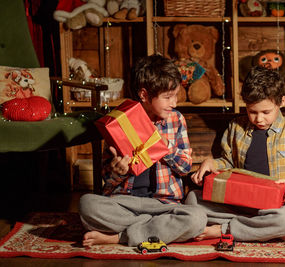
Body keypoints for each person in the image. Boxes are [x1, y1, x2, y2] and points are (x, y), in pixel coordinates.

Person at [79, 54, 207, 247]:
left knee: (197, 217)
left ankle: (119, 237)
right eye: (168, 97)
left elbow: (185, 167)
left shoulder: (175, 119)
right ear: (145, 95)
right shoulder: (120, 121)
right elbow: (107, 176)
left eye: (176, 95)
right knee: (87, 205)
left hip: (163, 205)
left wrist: (166, 146)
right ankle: (154, 229)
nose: (174, 103)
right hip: (124, 203)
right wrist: (118, 172)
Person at [187, 66, 285, 241]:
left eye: (266, 112)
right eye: (252, 112)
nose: (259, 119)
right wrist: (212, 163)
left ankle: (225, 229)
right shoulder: (236, 127)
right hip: (240, 202)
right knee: (192, 199)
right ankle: (251, 226)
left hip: (276, 207)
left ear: (281, 102)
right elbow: (229, 163)